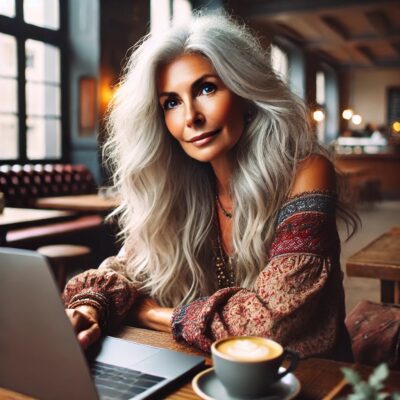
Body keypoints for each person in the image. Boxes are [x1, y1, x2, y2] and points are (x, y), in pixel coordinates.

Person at [64, 13, 357, 361]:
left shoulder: (307, 172)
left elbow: (273, 322)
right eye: (171, 102)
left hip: (309, 379)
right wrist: (90, 309)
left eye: (206, 88)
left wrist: (154, 314)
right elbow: (124, 271)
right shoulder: (179, 188)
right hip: (213, 372)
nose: (191, 117)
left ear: (245, 91)